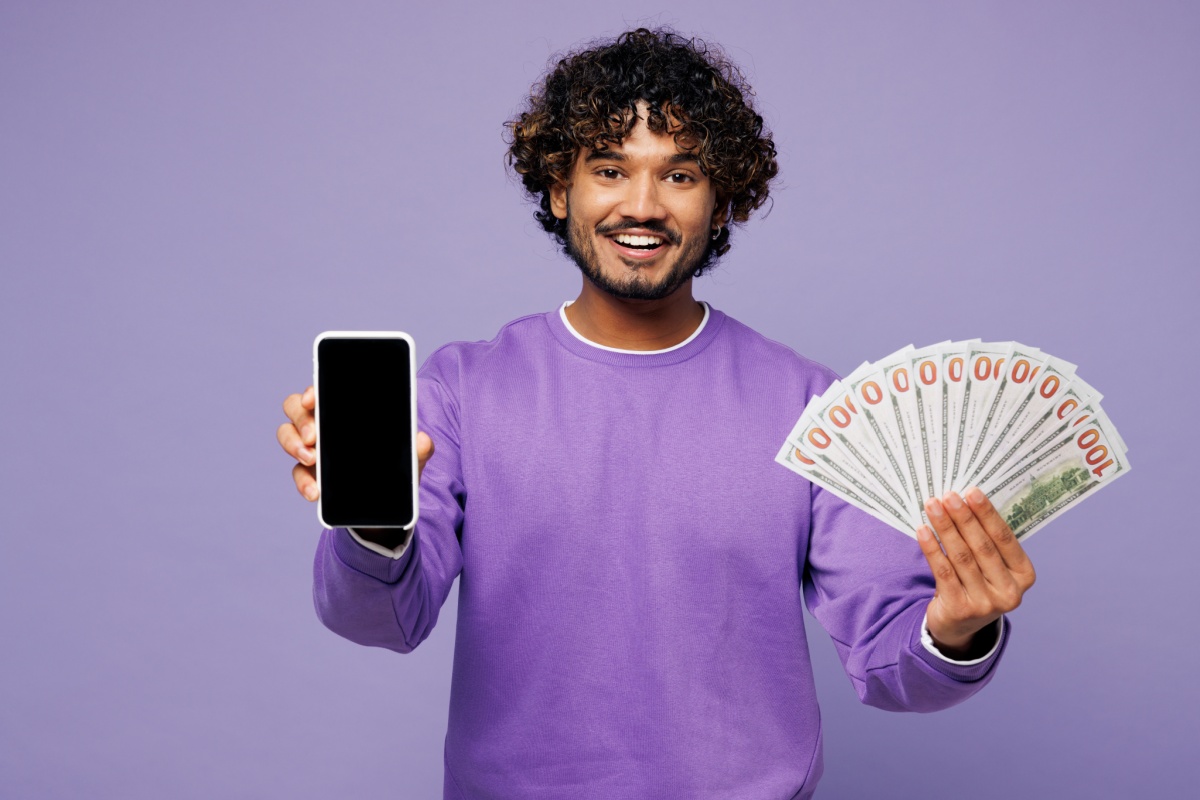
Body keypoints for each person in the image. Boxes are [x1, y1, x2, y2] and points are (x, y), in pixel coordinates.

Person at [276, 28, 1035, 799]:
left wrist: (958, 628)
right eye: (610, 169)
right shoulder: (460, 391)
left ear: (724, 199)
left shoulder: (812, 405)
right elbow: (380, 619)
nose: (642, 205)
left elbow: (894, 666)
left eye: (680, 174)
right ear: (559, 189)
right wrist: (373, 523)